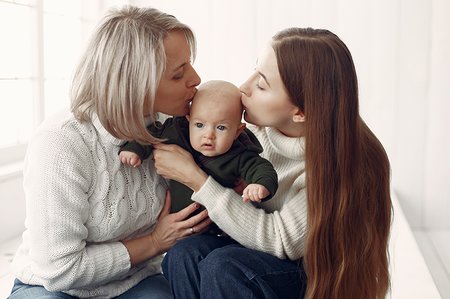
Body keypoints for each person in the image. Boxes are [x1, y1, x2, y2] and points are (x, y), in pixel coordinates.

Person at [153, 27, 392, 299]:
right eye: (255, 71)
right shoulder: (252, 132)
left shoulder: (344, 164)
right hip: (250, 253)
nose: (244, 86)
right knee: (185, 253)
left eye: (262, 84)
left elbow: (281, 241)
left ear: (300, 112)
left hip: (309, 278)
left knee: (225, 267)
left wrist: (196, 178)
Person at [8, 5, 212, 299]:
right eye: (178, 74)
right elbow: (59, 270)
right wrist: (155, 242)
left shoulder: (172, 127)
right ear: (135, 84)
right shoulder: (61, 143)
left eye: (190, 65)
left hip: (135, 280)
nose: (196, 79)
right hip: (51, 287)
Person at [119, 80, 278, 213]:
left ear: (237, 132)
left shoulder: (240, 154)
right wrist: (135, 149)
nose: (208, 135)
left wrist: (260, 186)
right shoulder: (178, 133)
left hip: (221, 227)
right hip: (180, 223)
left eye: (221, 128)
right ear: (189, 121)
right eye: (200, 125)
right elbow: (153, 133)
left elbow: (263, 169)